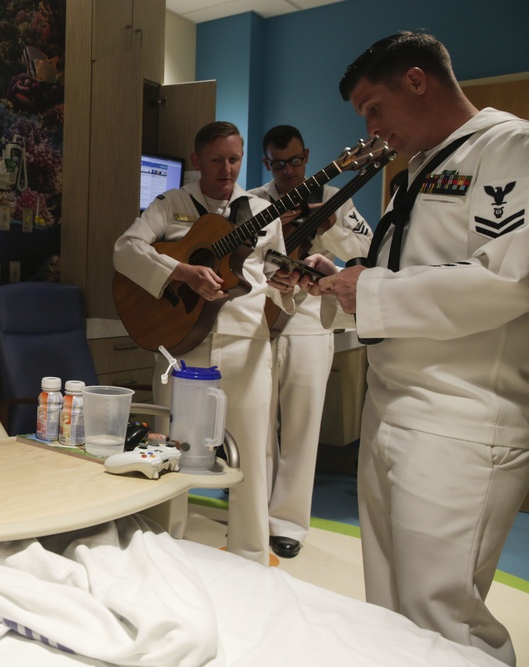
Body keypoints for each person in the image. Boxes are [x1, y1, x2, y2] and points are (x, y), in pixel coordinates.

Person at [294, 32, 529, 665]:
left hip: (461, 416)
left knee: (443, 620)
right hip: (392, 406)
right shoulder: (418, 170)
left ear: (417, 81)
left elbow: (507, 280)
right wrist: (338, 271)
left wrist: (368, 288)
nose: (372, 130)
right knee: (391, 613)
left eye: (375, 109)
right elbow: (406, 269)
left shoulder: (512, 148)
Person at [113, 121, 293, 567]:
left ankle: (251, 553)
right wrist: (180, 272)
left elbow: (273, 278)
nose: (227, 169)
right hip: (182, 344)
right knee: (172, 449)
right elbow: (125, 249)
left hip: (245, 344)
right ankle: (167, 546)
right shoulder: (171, 203)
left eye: (235, 159)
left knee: (252, 449)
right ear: (197, 161)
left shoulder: (260, 210)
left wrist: (288, 282)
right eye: (217, 160)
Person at [247, 125, 372, 559]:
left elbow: (369, 248)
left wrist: (334, 225)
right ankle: (253, 510)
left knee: (302, 422)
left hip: (308, 318)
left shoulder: (336, 195)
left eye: (295, 161)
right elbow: (239, 261)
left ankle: (288, 522)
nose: (288, 170)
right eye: (278, 164)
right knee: (256, 420)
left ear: (307, 155)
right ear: (267, 163)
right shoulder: (252, 201)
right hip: (261, 315)